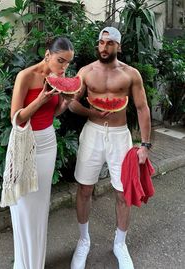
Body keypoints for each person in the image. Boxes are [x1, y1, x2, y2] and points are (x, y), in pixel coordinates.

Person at [69, 27, 151, 269]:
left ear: (119, 46)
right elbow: (73, 102)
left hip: (119, 137)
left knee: (123, 193)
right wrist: (90, 111)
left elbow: (142, 108)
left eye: (109, 43)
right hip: (92, 133)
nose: (104, 47)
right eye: (101, 42)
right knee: (84, 189)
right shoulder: (86, 72)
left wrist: (145, 145)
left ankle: (120, 244)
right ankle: (83, 241)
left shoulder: (131, 74)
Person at [9, 36, 74, 269]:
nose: (64, 68)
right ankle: (23, 263)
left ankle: (35, 263)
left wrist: (65, 103)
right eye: (60, 61)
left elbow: (53, 113)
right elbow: (16, 119)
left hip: (48, 142)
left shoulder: (59, 78)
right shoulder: (25, 76)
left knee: (40, 206)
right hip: (25, 143)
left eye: (68, 63)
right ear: (47, 55)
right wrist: (39, 100)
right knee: (24, 206)